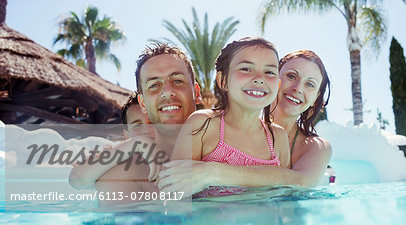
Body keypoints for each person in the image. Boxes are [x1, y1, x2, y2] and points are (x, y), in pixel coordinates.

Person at [158, 49, 331, 195]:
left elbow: (302, 182)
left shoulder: (317, 147)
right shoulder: (219, 125)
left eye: (310, 84)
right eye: (292, 76)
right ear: (274, 80)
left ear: (316, 99)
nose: (298, 88)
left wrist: (212, 172)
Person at [69, 43, 201, 192]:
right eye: (154, 85)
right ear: (143, 103)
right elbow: (77, 179)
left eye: (177, 80)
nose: (167, 91)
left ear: (196, 92)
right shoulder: (125, 169)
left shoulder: (225, 148)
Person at [168, 37, 290, 196]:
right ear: (223, 80)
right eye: (246, 69)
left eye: (269, 72)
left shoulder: (278, 138)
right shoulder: (204, 124)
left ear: (278, 85)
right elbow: (173, 193)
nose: (260, 78)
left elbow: (286, 194)